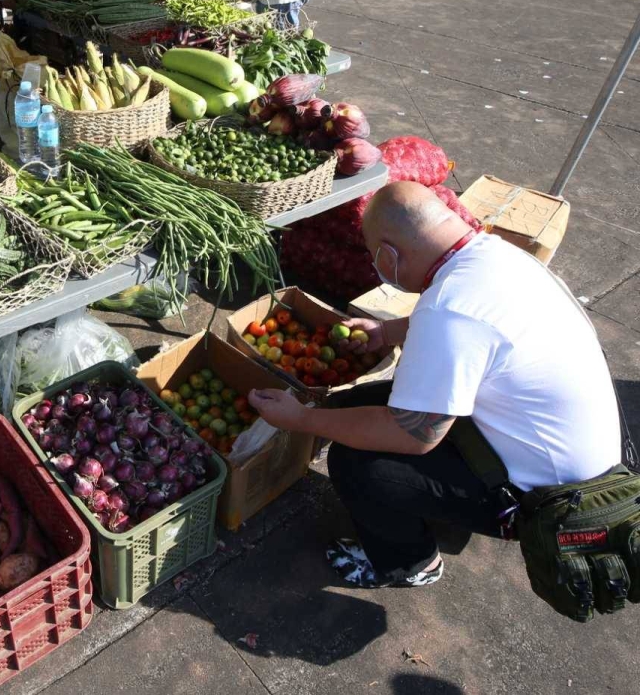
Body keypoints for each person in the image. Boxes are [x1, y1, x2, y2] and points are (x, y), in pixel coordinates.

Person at [249, 181, 622, 589]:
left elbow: (414, 435)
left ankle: (411, 563)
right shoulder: (494, 256)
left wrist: (301, 419)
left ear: (390, 255)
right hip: (567, 450)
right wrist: (387, 331)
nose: (377, 267)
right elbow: (469, 327)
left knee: (358, 465)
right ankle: (431, 508)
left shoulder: (449, 309)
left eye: (375, 257)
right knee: (350, 410)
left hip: (554, 504)